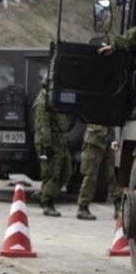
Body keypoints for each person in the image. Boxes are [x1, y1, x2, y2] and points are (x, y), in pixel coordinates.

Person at [33, 86, 72, 216]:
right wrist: (46, 146)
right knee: (51, 174)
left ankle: (43, 194)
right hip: (49, 143)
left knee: (66, 171)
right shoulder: (43, 101)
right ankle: (47, 203)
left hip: (61, 142)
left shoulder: (54, 99)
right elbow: (43, 125)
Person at [76, 124, 122, 220]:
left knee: (111, 174)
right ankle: (83, 207)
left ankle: (118, 204)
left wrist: (112, 138)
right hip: (94, 141)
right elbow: (91, 119)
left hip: (108, 141)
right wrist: (104, 134)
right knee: (90, 175)